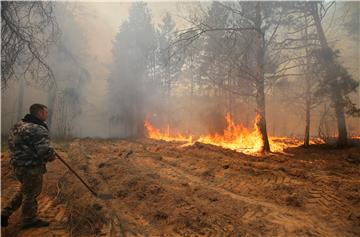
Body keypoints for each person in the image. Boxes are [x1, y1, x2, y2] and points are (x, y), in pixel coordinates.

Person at [1, 103, 56, 229]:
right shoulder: (37, 128)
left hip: (17, 166)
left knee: (25, 191)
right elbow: (45, 152)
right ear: (40, 113)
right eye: (46, 112)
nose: (47, 115)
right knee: (30, 195)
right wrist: (52, 155)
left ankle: (5, 213)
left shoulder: (18, 125)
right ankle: (29, 220)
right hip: (31, 168)